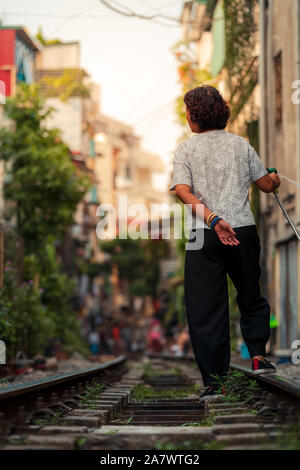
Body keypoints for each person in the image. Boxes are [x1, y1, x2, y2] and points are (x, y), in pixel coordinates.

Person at [170, 85, 281, 398]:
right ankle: (258, 355)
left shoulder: (185, 149)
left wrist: (213, 220)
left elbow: (182, 190)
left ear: (195, 117)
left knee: (205, 306)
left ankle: (215, 381)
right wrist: (274, 178)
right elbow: (265, 184)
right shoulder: (241, 145)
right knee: (250, 293)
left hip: (201, 233)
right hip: (242, 230)